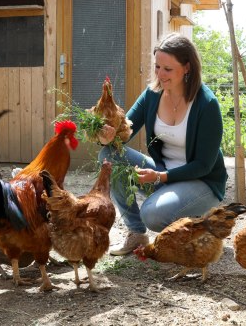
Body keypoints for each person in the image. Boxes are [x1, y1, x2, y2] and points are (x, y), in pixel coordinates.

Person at [97, 33, 228, 256]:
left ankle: (200, 220)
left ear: (187, 68)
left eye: (167, 69)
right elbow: (124, 133)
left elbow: (204, 165)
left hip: (201, 182)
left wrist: (159, 177)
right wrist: (108, 136)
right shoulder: (152, 94)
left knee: (153, 215)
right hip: (163, 174)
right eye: (157, 66)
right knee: (109, 154)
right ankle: (136, 233)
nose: (160, 74)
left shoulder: (207, 104)